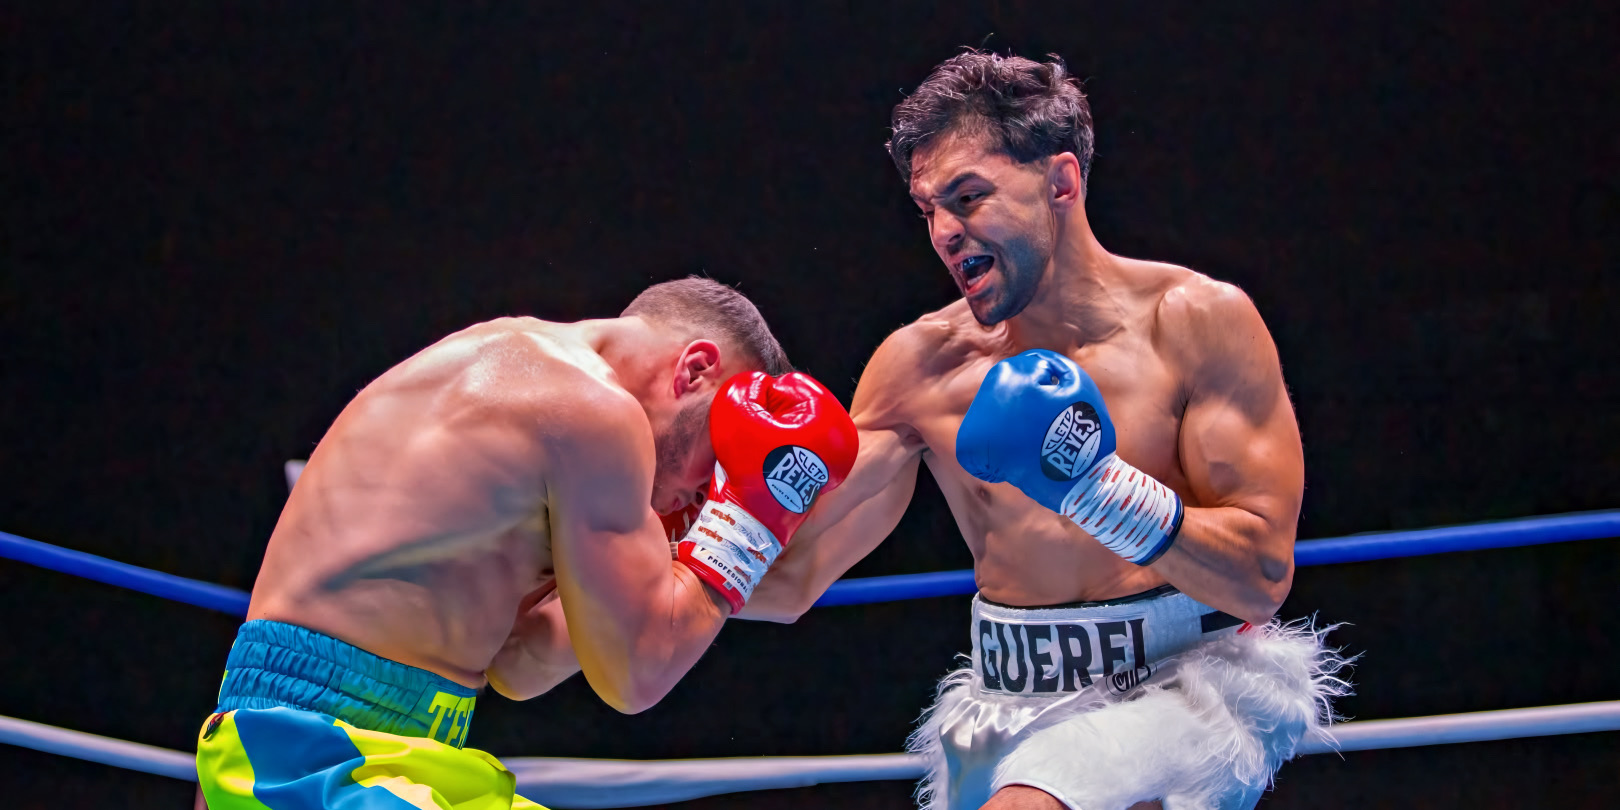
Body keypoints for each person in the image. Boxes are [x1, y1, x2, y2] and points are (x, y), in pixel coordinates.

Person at [743, 52, 1350, 810]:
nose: (943, 231)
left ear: (1061, 182)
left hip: (1175, 690)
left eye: (967, 197)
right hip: (1000, 706)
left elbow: (1261, 577)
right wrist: (649, 552)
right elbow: (795, 571)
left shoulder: (1194, 325)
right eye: (927, 208)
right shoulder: (919, 366)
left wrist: (1096, 489)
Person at [193, 277, 859, 809]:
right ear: (694, 371)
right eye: (717, 458)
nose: (701, 494)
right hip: (310, 753)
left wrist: (669, 555)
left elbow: (520, 663)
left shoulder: (530, 382)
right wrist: (742, 526)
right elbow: (638, 675)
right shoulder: (592, 411)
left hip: (398, 752)